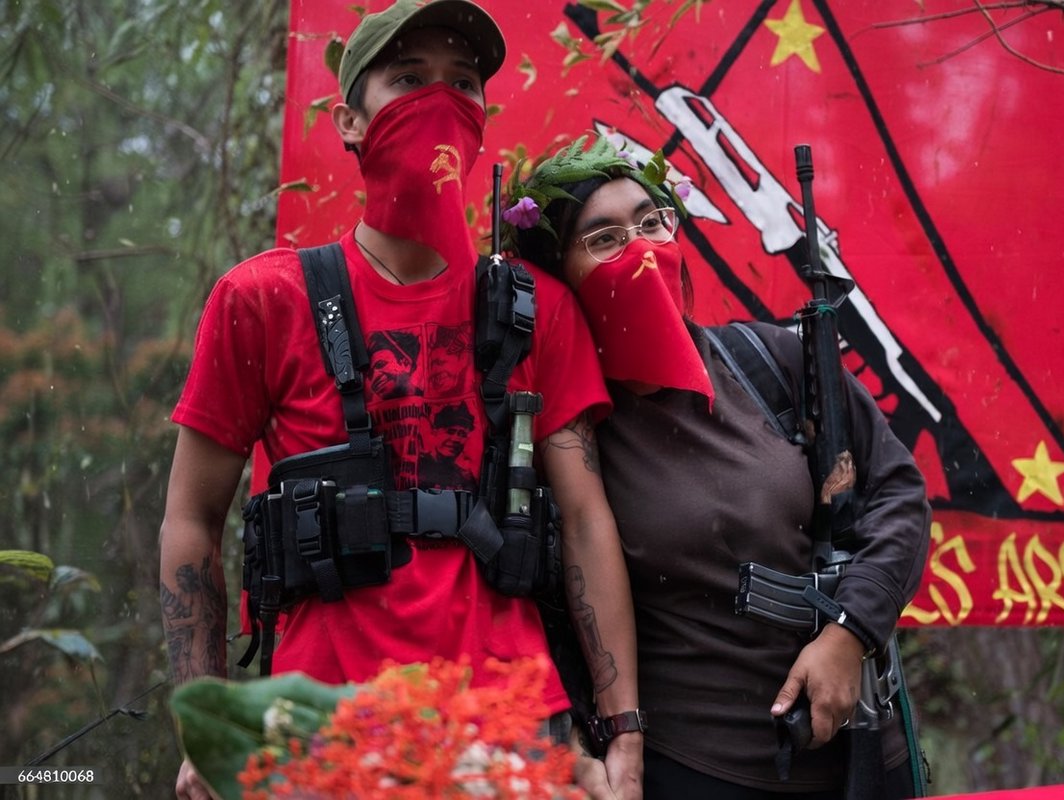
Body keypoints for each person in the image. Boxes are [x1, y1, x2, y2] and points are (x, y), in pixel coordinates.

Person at [158, 4, 643, 799]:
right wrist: (202, 721)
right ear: (350, 121)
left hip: (513, 728)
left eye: (463, 84)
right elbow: (191, 518)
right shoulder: (263, 299)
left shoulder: (535, 307)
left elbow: (587, 520)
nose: (440, 102)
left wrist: (624, 731)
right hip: (321, 727)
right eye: (409, 80)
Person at [502, 134, 932, 799]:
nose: (643, 249)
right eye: (607, 239)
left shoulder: (770, 362)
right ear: (558, 278)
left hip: (859, 755)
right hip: (697, 771)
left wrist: (852, 633)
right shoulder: (566, 441)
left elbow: (897, 495)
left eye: (653, 223)